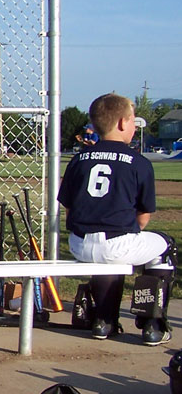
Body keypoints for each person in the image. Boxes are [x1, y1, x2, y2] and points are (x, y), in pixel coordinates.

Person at [58, 93, 175, 345]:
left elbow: (69, 209)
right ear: (122, 123)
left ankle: (104, 321)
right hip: (117, 243)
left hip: (80, 244)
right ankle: (153, 324)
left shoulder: (78, 160)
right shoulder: (138, 162)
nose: (134, 126)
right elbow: (143, 217)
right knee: (164, 244)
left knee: (111, 253)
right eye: (133, 120)